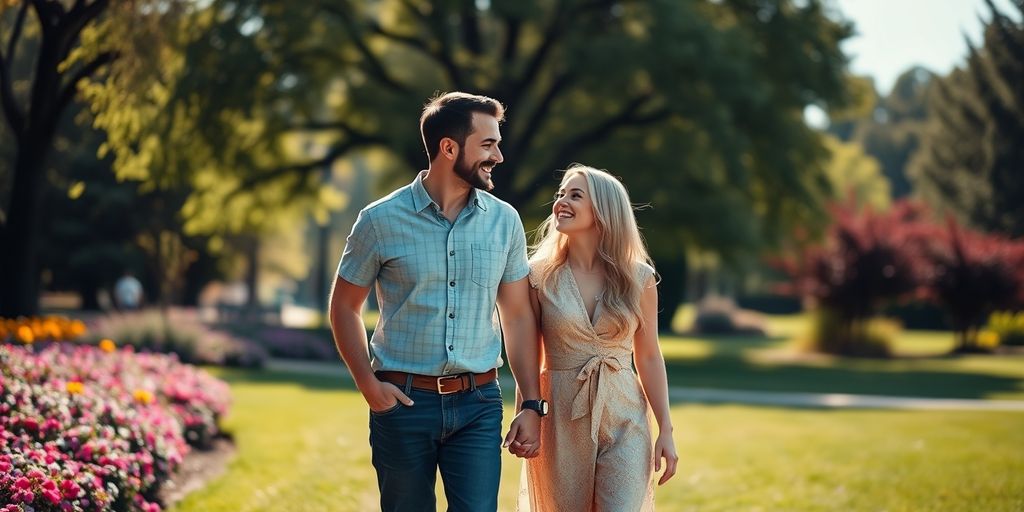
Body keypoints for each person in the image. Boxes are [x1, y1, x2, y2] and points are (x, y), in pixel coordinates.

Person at [328, 91, 544, 512]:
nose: (498, 156)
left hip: (478, 404)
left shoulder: (505, 221)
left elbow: (518, 317)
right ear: (449, 148)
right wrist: (368, 385)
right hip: (404, 404)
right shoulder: (379, 220)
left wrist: (532, 403)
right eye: (488, 144)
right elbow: (344, 307)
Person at [518, 164, 678, 511]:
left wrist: (666, 429)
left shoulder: (639, 278)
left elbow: (649, 356)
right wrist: (526, 412)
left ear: (604, 210)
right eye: (560, 193)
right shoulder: (538, 277)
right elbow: (530, 356)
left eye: (575, 195)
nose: (561, 201)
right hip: (560, 417)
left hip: (625, 417)